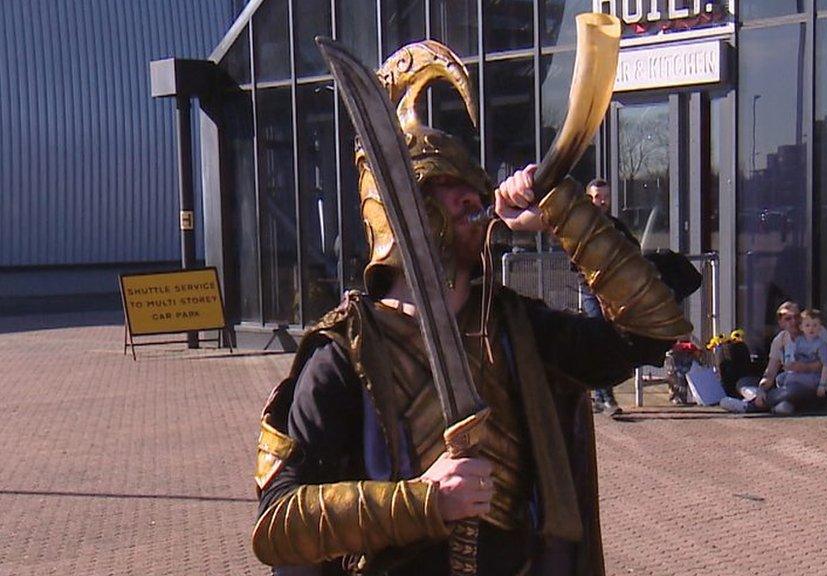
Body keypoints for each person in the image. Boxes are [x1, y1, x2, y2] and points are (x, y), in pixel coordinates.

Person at [250, 42, 690, 576]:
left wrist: (561, 213)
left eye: (471, 188)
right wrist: (420, 501)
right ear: (395, 211)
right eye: (440, 189)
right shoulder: (342, 354)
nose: (469, 198)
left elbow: (649, 329)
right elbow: (281, 526)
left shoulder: (516, 329)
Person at [578, 178, 641, 416]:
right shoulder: (581, 227)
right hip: (591, 292)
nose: (601, 201)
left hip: (612, 293)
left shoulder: (616, 227)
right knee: (602, 336)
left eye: (605, 197)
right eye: (597, 197)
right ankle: (608, 399)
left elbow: (634, 250)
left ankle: (598, 395)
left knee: (607, 342)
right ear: (589, 198)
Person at [721, 301, 827, 415]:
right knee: (744, 382)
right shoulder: (780, 340)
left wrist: (806, 367)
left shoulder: (816, 331)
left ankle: (750, 406)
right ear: (781, 323)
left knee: (792, 390)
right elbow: (770, 373)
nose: (794, 321)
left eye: (796, 317)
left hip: (814, 389)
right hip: (786, 385)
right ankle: (768, 402)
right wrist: (761, 390)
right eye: (788, 318)